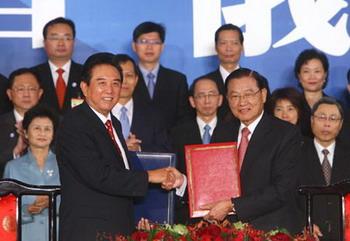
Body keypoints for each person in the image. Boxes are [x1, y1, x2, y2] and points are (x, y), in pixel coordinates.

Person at [56, 52, 184, 240]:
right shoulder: (75, 123)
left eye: (116, 83)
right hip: (89, 231)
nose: (110, 90)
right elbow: (99, 175)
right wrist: (150, 176)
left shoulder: (112, 123)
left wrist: (162, 176)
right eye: (102, 83)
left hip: (117, 227)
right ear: (85, 87)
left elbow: (121, 171)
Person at [203, 68, 302, 234]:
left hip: (271, 231)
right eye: (235, 96)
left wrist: (233, 205)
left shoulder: (286, 133)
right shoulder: (222, 133)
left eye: (249, 94)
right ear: (227, 99)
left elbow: (282, 189)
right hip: (228, 231)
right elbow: (212, 179)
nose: (242, 102)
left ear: (263, 95)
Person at [171, 76, 228, 224]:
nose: (207, 100)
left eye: (211, 94)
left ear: (220, 99)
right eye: (201, 95)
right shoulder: (176, 133)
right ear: (192, 101)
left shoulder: (232, 132)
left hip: (226, 214)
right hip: (187, 213)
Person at [3, 104, 60, 241]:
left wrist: (53, 202)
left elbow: (75, 203)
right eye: (36, 128)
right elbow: (5, 212)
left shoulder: (65, 166)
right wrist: (27, 209)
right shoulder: (13, 167)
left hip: (59, 233)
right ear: (26, 133)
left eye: (47, 129)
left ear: (53, 134)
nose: (42, 133)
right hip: (26, 235)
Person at [298, 97, 350, 241]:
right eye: (321, 117)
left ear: (341, 124)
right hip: (308, 234)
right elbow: (286, 195)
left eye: (333, 119)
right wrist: (302, 223)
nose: (326, 124)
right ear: (311, 120)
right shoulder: (295, 154)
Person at [131, 21, 191, 131]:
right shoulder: (126, 79)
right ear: (134, 46)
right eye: (143, 41)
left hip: (170, 146)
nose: (149, 47)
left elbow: (184, 119)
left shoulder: (177, 81)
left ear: (162, 46)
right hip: (134, 144)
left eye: (155, 42)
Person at [111, 54, 170, 152]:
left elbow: (166, 150)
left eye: (129, 76)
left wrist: (139, 148)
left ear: (136, 79)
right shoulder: (100, 112)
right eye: (119, 76)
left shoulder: (154, 114)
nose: (124, 81)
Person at [31, 17, 83, 115]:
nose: (61, 43)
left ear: (74, 42)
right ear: (44, 43)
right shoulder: (32, 76)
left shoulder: (85, 74)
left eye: (67, 38)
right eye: (55, 38)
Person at [0, 68, 43, 176]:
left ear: (40, 93)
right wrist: (15, 153)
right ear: (9, 94)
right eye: (20, 89)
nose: (26, 94)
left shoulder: (56, 124)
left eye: (32, 89)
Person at [201, 24, 244, 120]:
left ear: (242, 47)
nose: (229, 49)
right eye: (223, 43)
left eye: (234, 43)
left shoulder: (254, 80)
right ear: (216, 48)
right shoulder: (203, 83)